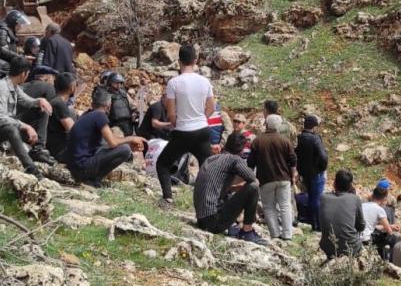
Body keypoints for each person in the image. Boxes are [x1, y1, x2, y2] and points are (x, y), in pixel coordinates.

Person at [155, 45, 216, 207]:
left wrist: (177, 123)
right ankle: (211, 202)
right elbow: (211, 107)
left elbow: (171, 114)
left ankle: (167, 198)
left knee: (162, 163)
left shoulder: (174, 83)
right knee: (208, 168)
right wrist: (202, 119)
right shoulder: (204, 81)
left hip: (183, 131)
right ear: (195, 60)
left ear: (179, 61)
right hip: (202, 130)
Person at [0, 58, 54, 179]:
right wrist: (25, 126)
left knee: (42, 109)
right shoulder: (0, 88)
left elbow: (26, 101)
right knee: (12, 129)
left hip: (7, 123)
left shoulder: (14, 86)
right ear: (23, 73)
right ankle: (31, 168)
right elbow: (1, 117)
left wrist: (39, 101)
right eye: (28, 73)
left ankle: (38, 149)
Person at [193, 132, 266, 244]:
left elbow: (216, 188)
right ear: (241, 150)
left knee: (232, 192)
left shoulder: (211, 159)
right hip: (214, 222)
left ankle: (233, 226)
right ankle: (247, 231)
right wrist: (243, 187)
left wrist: (237, 188)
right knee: (253, 186)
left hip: (201, 220)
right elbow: (253, 179)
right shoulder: (234, 159)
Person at [66, 90, 145, 187]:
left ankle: (91, 178)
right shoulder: (100, 115)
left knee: (119, 146)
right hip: (82, 167)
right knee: (125, 150)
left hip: (73, 165)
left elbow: (106, 143)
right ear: (109, 105)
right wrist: (131, 138)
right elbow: (113, 142)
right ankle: (94, 178)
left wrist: (127, 142)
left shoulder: (86, 114)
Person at [248, 114, 297, 240]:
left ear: (266, 125)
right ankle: (287, 234)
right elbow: (293, 160)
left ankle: (275, 234)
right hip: (284, 177)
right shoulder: (285, 141)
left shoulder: (258, 141)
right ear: (279, 126)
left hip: (265, 178)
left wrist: (251, 178)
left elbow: (250, 163)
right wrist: (292, 176)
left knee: (269, 207)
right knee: (285, 205)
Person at [318, 169, 365, 259]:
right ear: (350, 186)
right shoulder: (355, 199)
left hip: (327, 248)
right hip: (351, 248)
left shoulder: (323, 198)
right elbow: (361, 226)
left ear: (334, 183)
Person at [295, 114, 328, 231]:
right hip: (316, 173)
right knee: (316, 199)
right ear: (314, 127)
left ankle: (309, 220)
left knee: (310, 197)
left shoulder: (299, 138)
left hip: (304, 173)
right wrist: (322, 168)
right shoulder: (315, 138)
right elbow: (323, 156)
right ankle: (317, 226)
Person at [0, 9, 31, 86]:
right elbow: (3, 50)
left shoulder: (8, 31)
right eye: (19, 24)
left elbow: (10, 47)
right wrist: (21, 57)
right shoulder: (3, 31)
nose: (20, 26)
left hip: (4, 65)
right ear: (13, 23)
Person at [361, 187, 400, 260]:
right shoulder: (380, 210)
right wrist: (390, 228)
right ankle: (388, 260)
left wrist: (390, 226)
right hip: (366, 240)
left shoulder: (363, 205)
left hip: (357, 237)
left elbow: (373, 226)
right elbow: (389, 232)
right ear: (384, 199)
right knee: (393, 238)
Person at [48, 72, 78, 162]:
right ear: (72, 87)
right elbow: (73, 131)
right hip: (59, 150)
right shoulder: (59, 104)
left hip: (52, 145)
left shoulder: (53, 99)